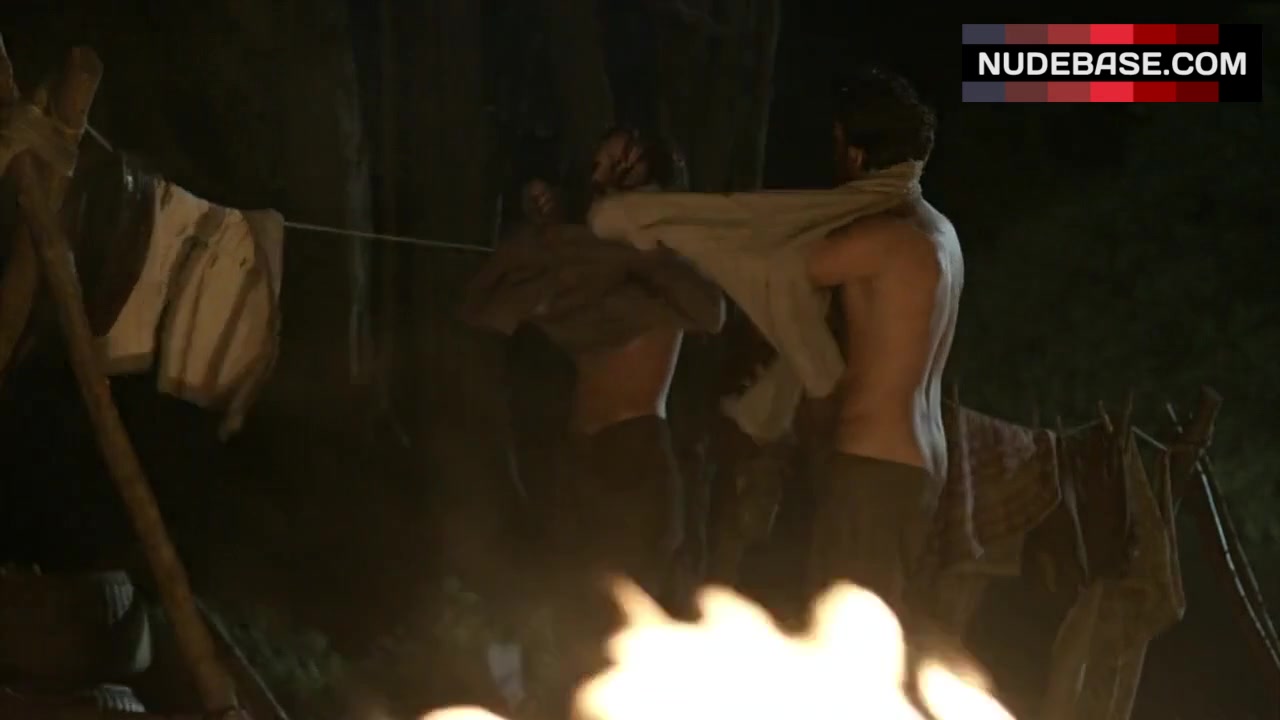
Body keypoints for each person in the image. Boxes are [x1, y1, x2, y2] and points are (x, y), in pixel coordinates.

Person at [803, 66, 963, 611]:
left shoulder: (879, 238)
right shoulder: (941, 234)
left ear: (853, 152)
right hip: (922, 466)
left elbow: (779, 269)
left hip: (871, 463)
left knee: (840, 635)